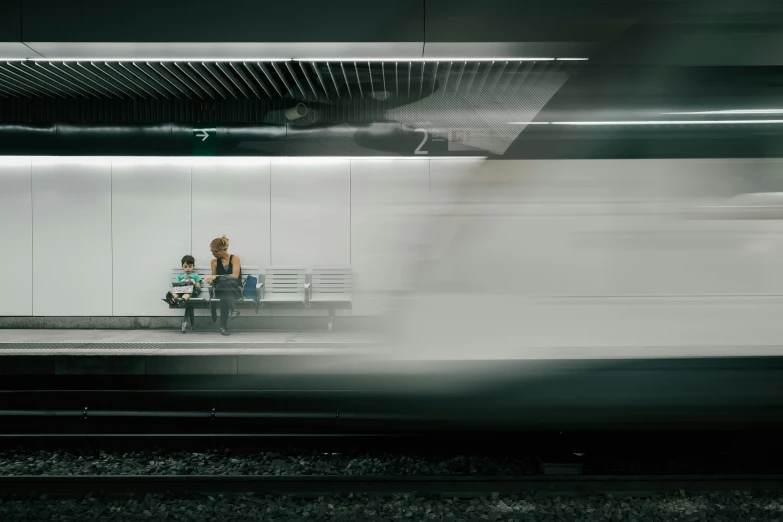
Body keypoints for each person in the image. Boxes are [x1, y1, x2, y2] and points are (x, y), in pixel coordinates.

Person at [204, 235, 242, 336]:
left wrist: (217, 277)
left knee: (223, 289)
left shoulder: (235, 258)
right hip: (222, 289)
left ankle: (223, 327)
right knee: (222, 286)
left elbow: (235, 276)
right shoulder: (214, 262)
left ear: (223, 249)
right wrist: (210, 280)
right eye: (211, 251)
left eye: (215, 251)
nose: (213, 254)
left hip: (235, 289)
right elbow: (214, 279)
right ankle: (234, 310)